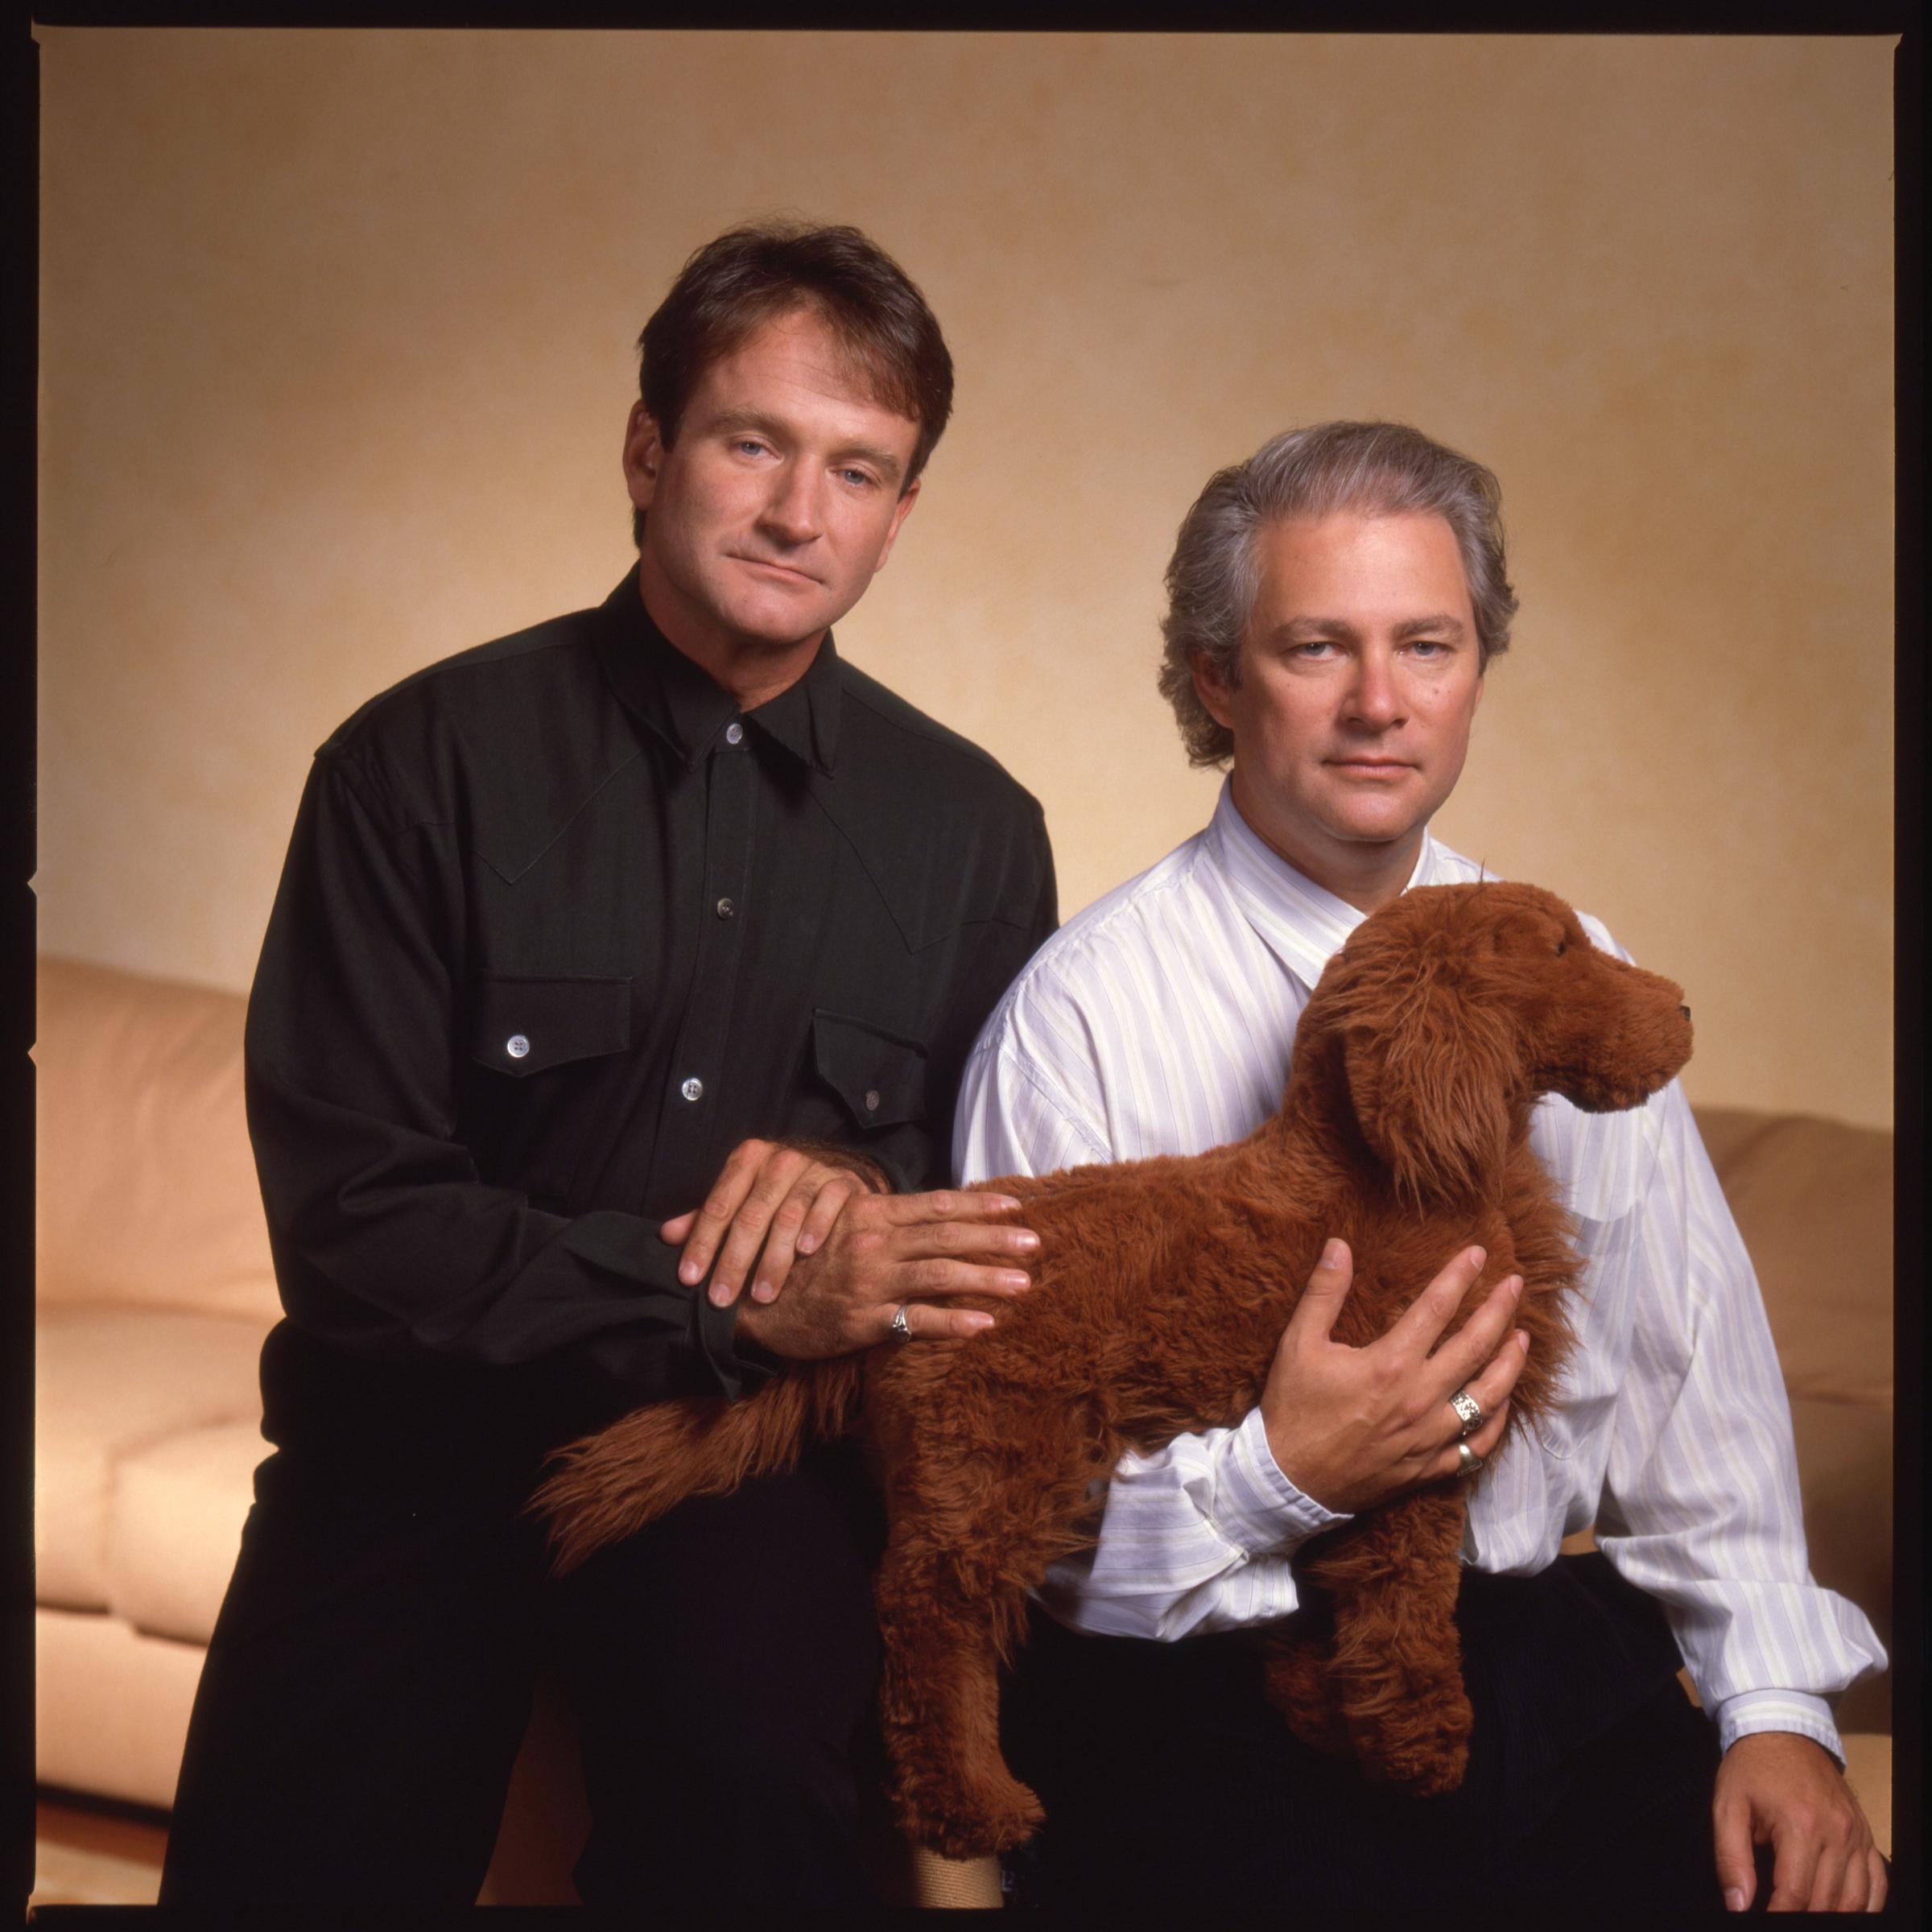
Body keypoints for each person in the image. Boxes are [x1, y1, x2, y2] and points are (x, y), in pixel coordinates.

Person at [159, 221, 1056, 1909]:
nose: (803, 512)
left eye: (859, 470)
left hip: (744, 1468)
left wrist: (868, 1194)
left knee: (761, 1807)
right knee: (283, 1864)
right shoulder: (414, 765)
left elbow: (978, 1190)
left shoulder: (976, 836)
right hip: (409, 1453)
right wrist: (713, 1300)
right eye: (754, 443)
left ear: (903, 511)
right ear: (648, 450)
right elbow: (355, 1216)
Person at [954, 421, 1889, 1914]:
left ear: (1475, 669)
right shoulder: (1078, 1019)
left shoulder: (1576, 977)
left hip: (1530, 1648)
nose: (1380, 703)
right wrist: (1279, 1474)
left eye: (1429, 646)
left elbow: (1686, 1387)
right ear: (1215, 679)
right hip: (1203, 1691)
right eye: (1317, 647)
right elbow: (1023, 1509)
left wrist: (1774, 1710)